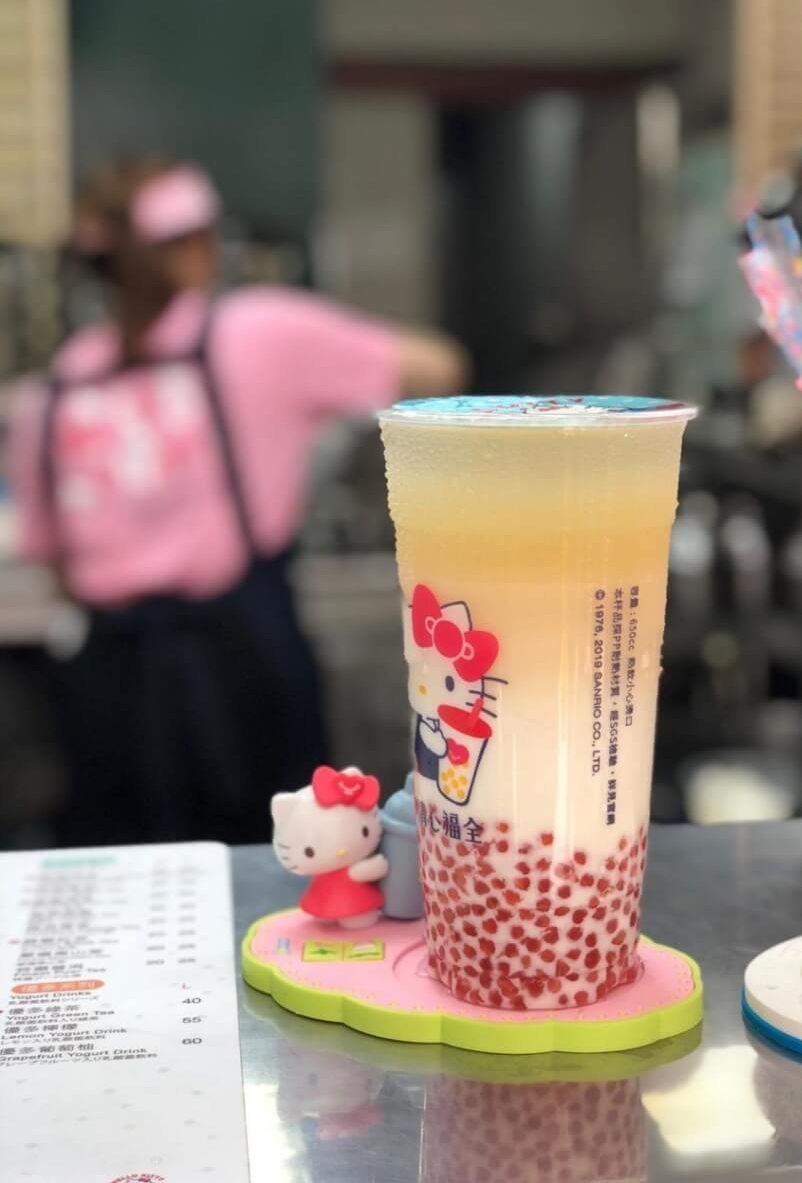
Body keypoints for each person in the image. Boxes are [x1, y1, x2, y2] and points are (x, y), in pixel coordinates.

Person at [9, 157, 466, 846]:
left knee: (129, 873)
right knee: (283, 866)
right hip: (242, 664)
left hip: (109, 685)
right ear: (196, 246)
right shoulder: (256, 333)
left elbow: (53, 562)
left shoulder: (55, 388)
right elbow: (438, 366)